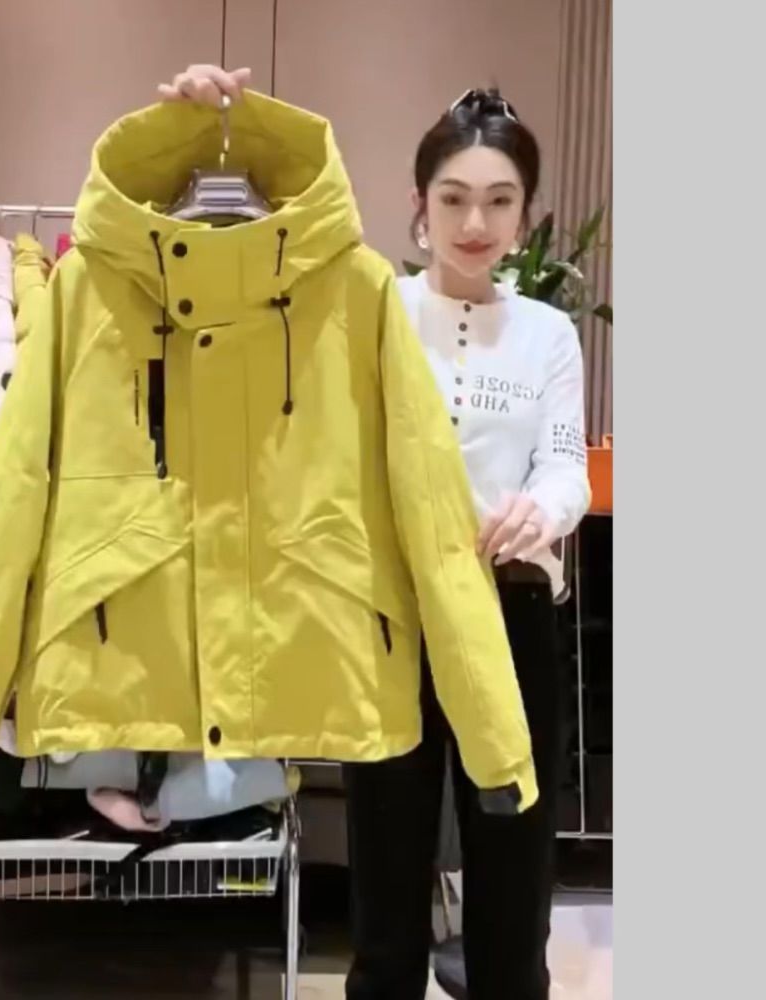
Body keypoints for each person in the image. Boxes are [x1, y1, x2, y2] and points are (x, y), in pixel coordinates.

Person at [158, 66, 591, 1000]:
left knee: (514, 875)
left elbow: (565, 464)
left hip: (511, 612)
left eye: (500, 200)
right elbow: (266, 246)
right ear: (419, 205)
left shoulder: (549, 334)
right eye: (454, 197)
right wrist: (215, 124)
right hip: (389, 617)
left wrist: (544, 509)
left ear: (525, 214)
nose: (475, 222)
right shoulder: (373, 307)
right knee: (387, 883)